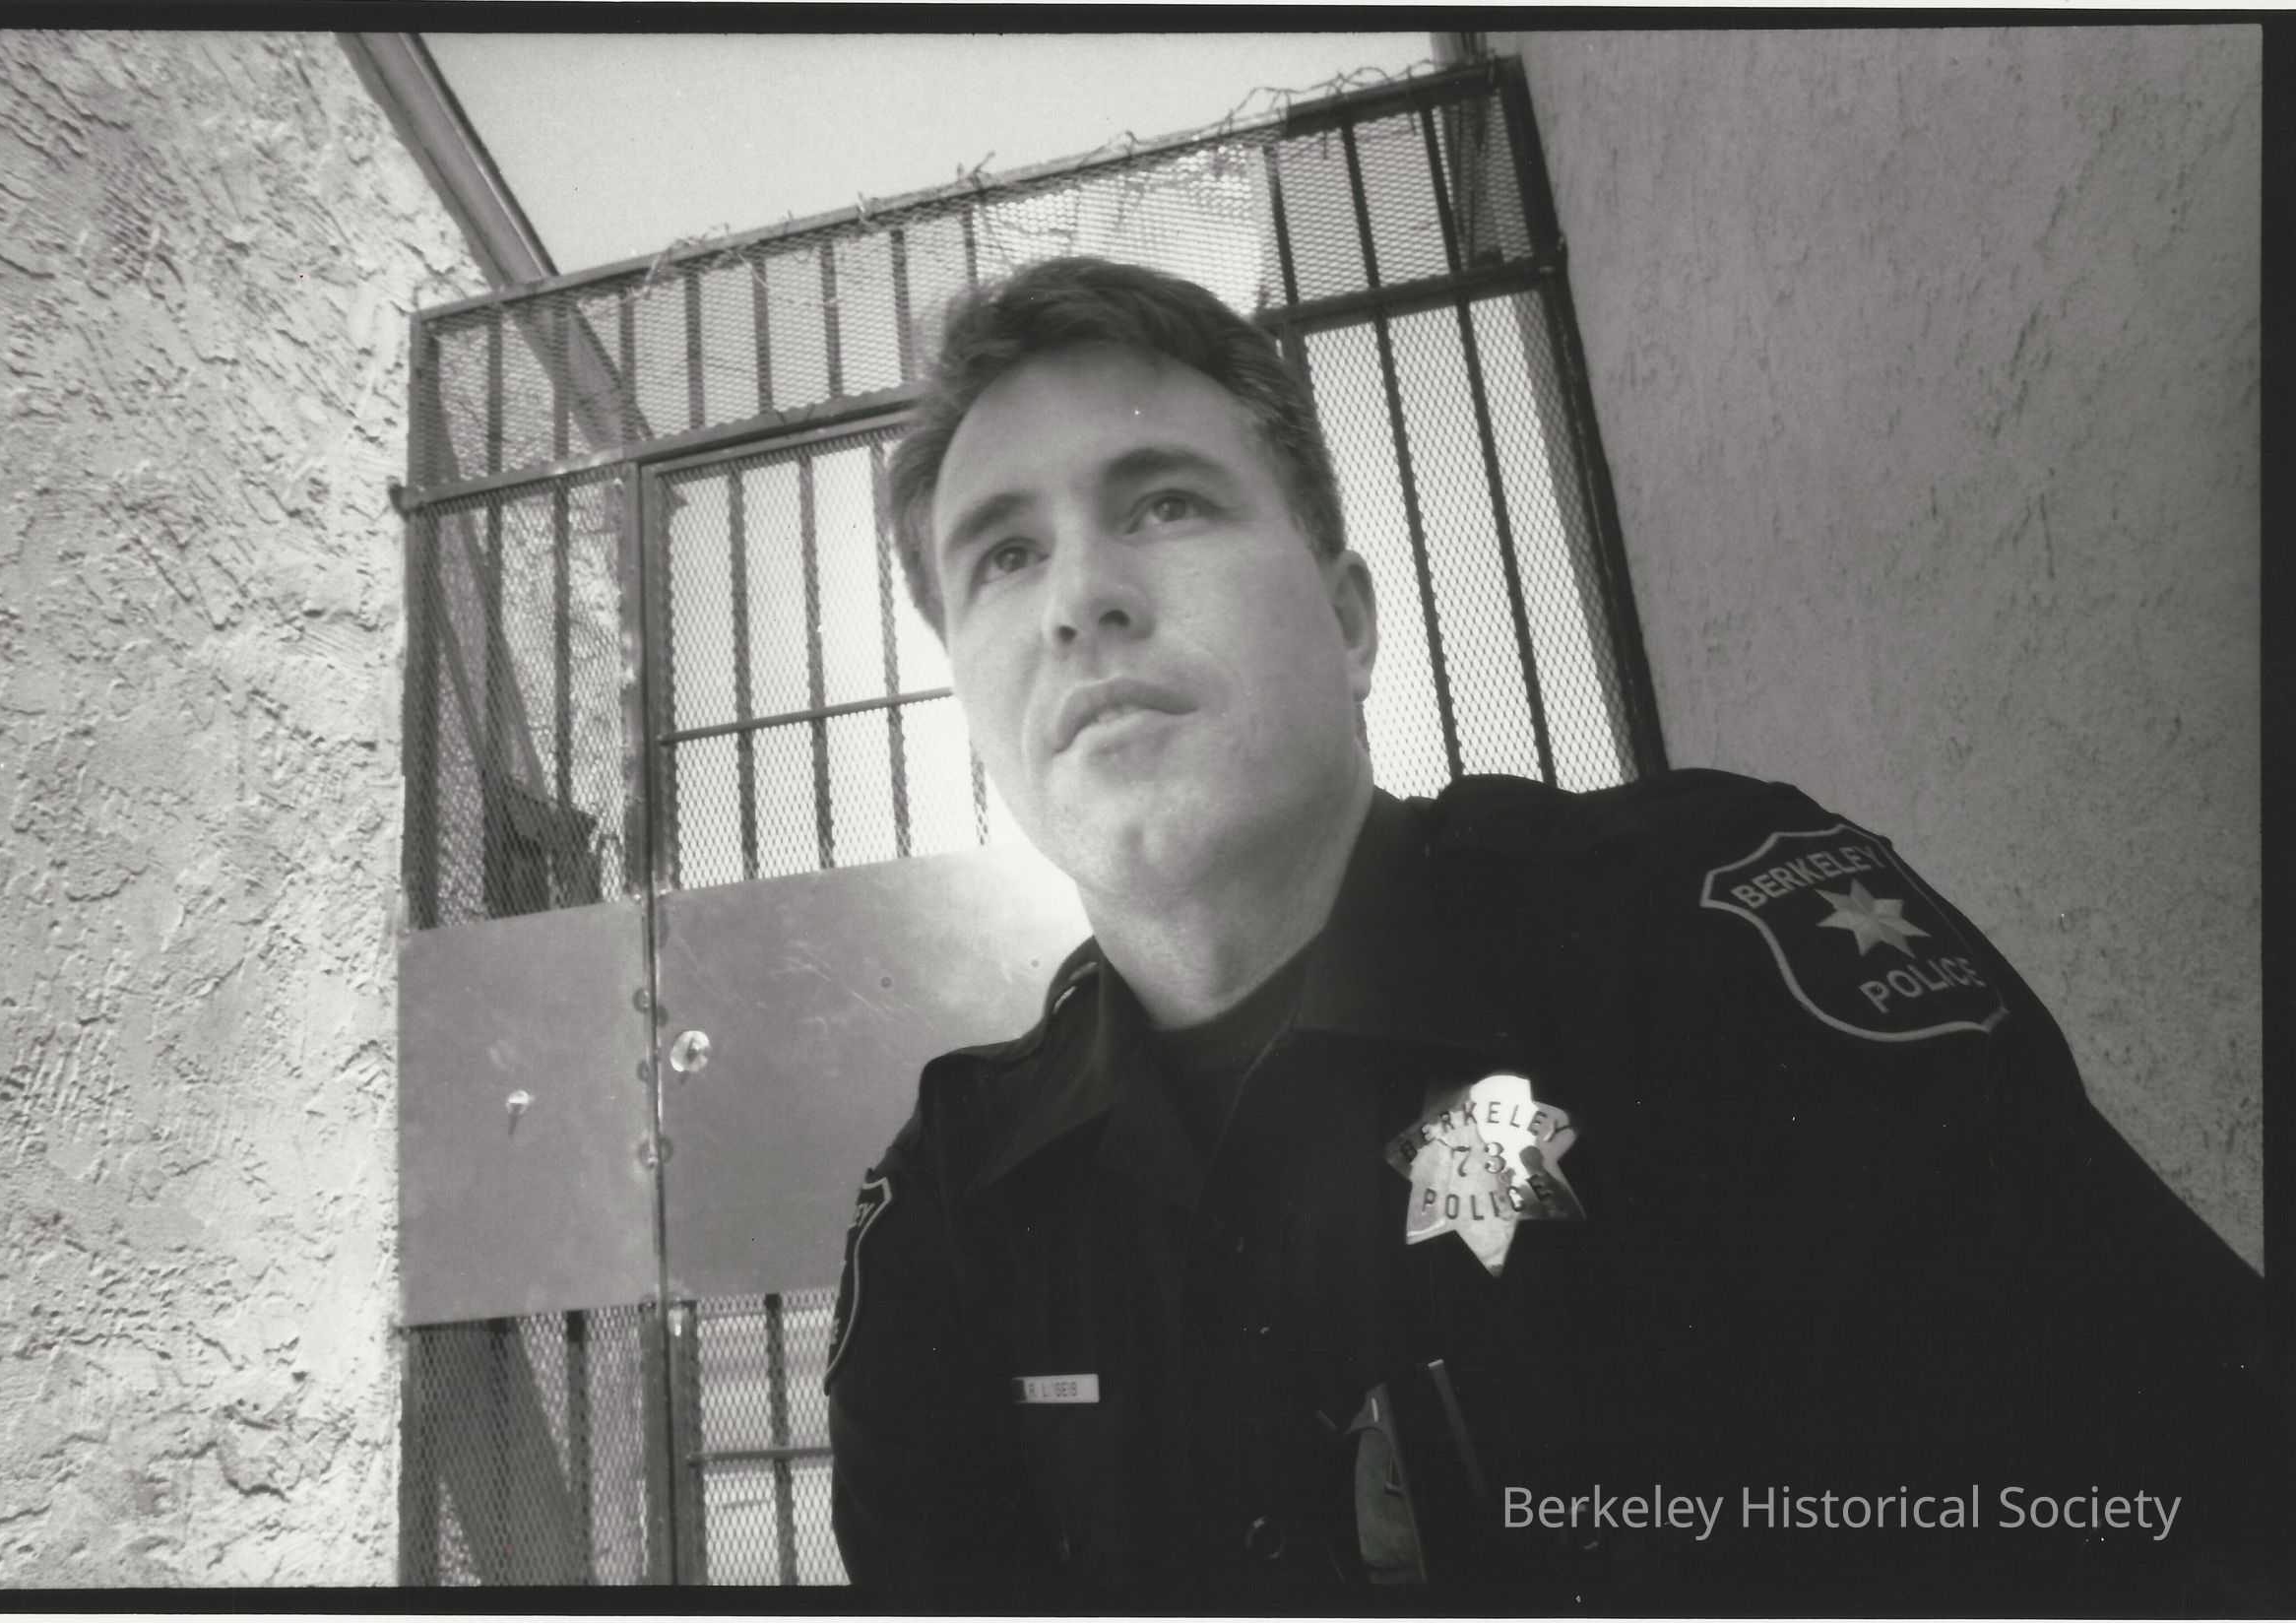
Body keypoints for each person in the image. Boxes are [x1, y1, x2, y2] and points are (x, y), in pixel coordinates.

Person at [822, 256, 2281, 1605]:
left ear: (1348, 622)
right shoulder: (954, 1215)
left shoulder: (1692, 938)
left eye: (1164, 505)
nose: (1080, 597)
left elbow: (2179, 1517)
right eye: (1002, 557)